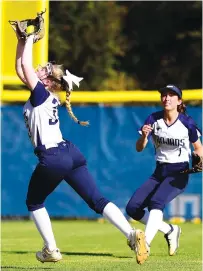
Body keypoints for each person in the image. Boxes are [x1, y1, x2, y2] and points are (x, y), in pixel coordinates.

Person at [13, 29, 149, 265]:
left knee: (34, 202)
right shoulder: (45, 94)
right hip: (70, 152)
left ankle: (51, 249)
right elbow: (19, 67)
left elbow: (24, 64)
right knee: (97, 200)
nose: (39, 67)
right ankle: (131, 234)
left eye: (43, 69)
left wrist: (30, 40)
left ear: (47, 81)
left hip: (53, 156)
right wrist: (21, 40)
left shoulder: (41, 94)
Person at [126, 84, 203, 258]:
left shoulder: (187, 123)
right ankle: (170, 230)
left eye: (171, 95)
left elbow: (198, 147)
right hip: (159, 171)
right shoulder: (153, 119)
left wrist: (200, 159)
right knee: (132, 208)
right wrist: (144, 137)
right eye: (164, 95)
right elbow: (139, 148)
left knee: (156, 202)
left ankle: (145, 244)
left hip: (179, 172)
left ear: (179, 101)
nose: (166, 98)